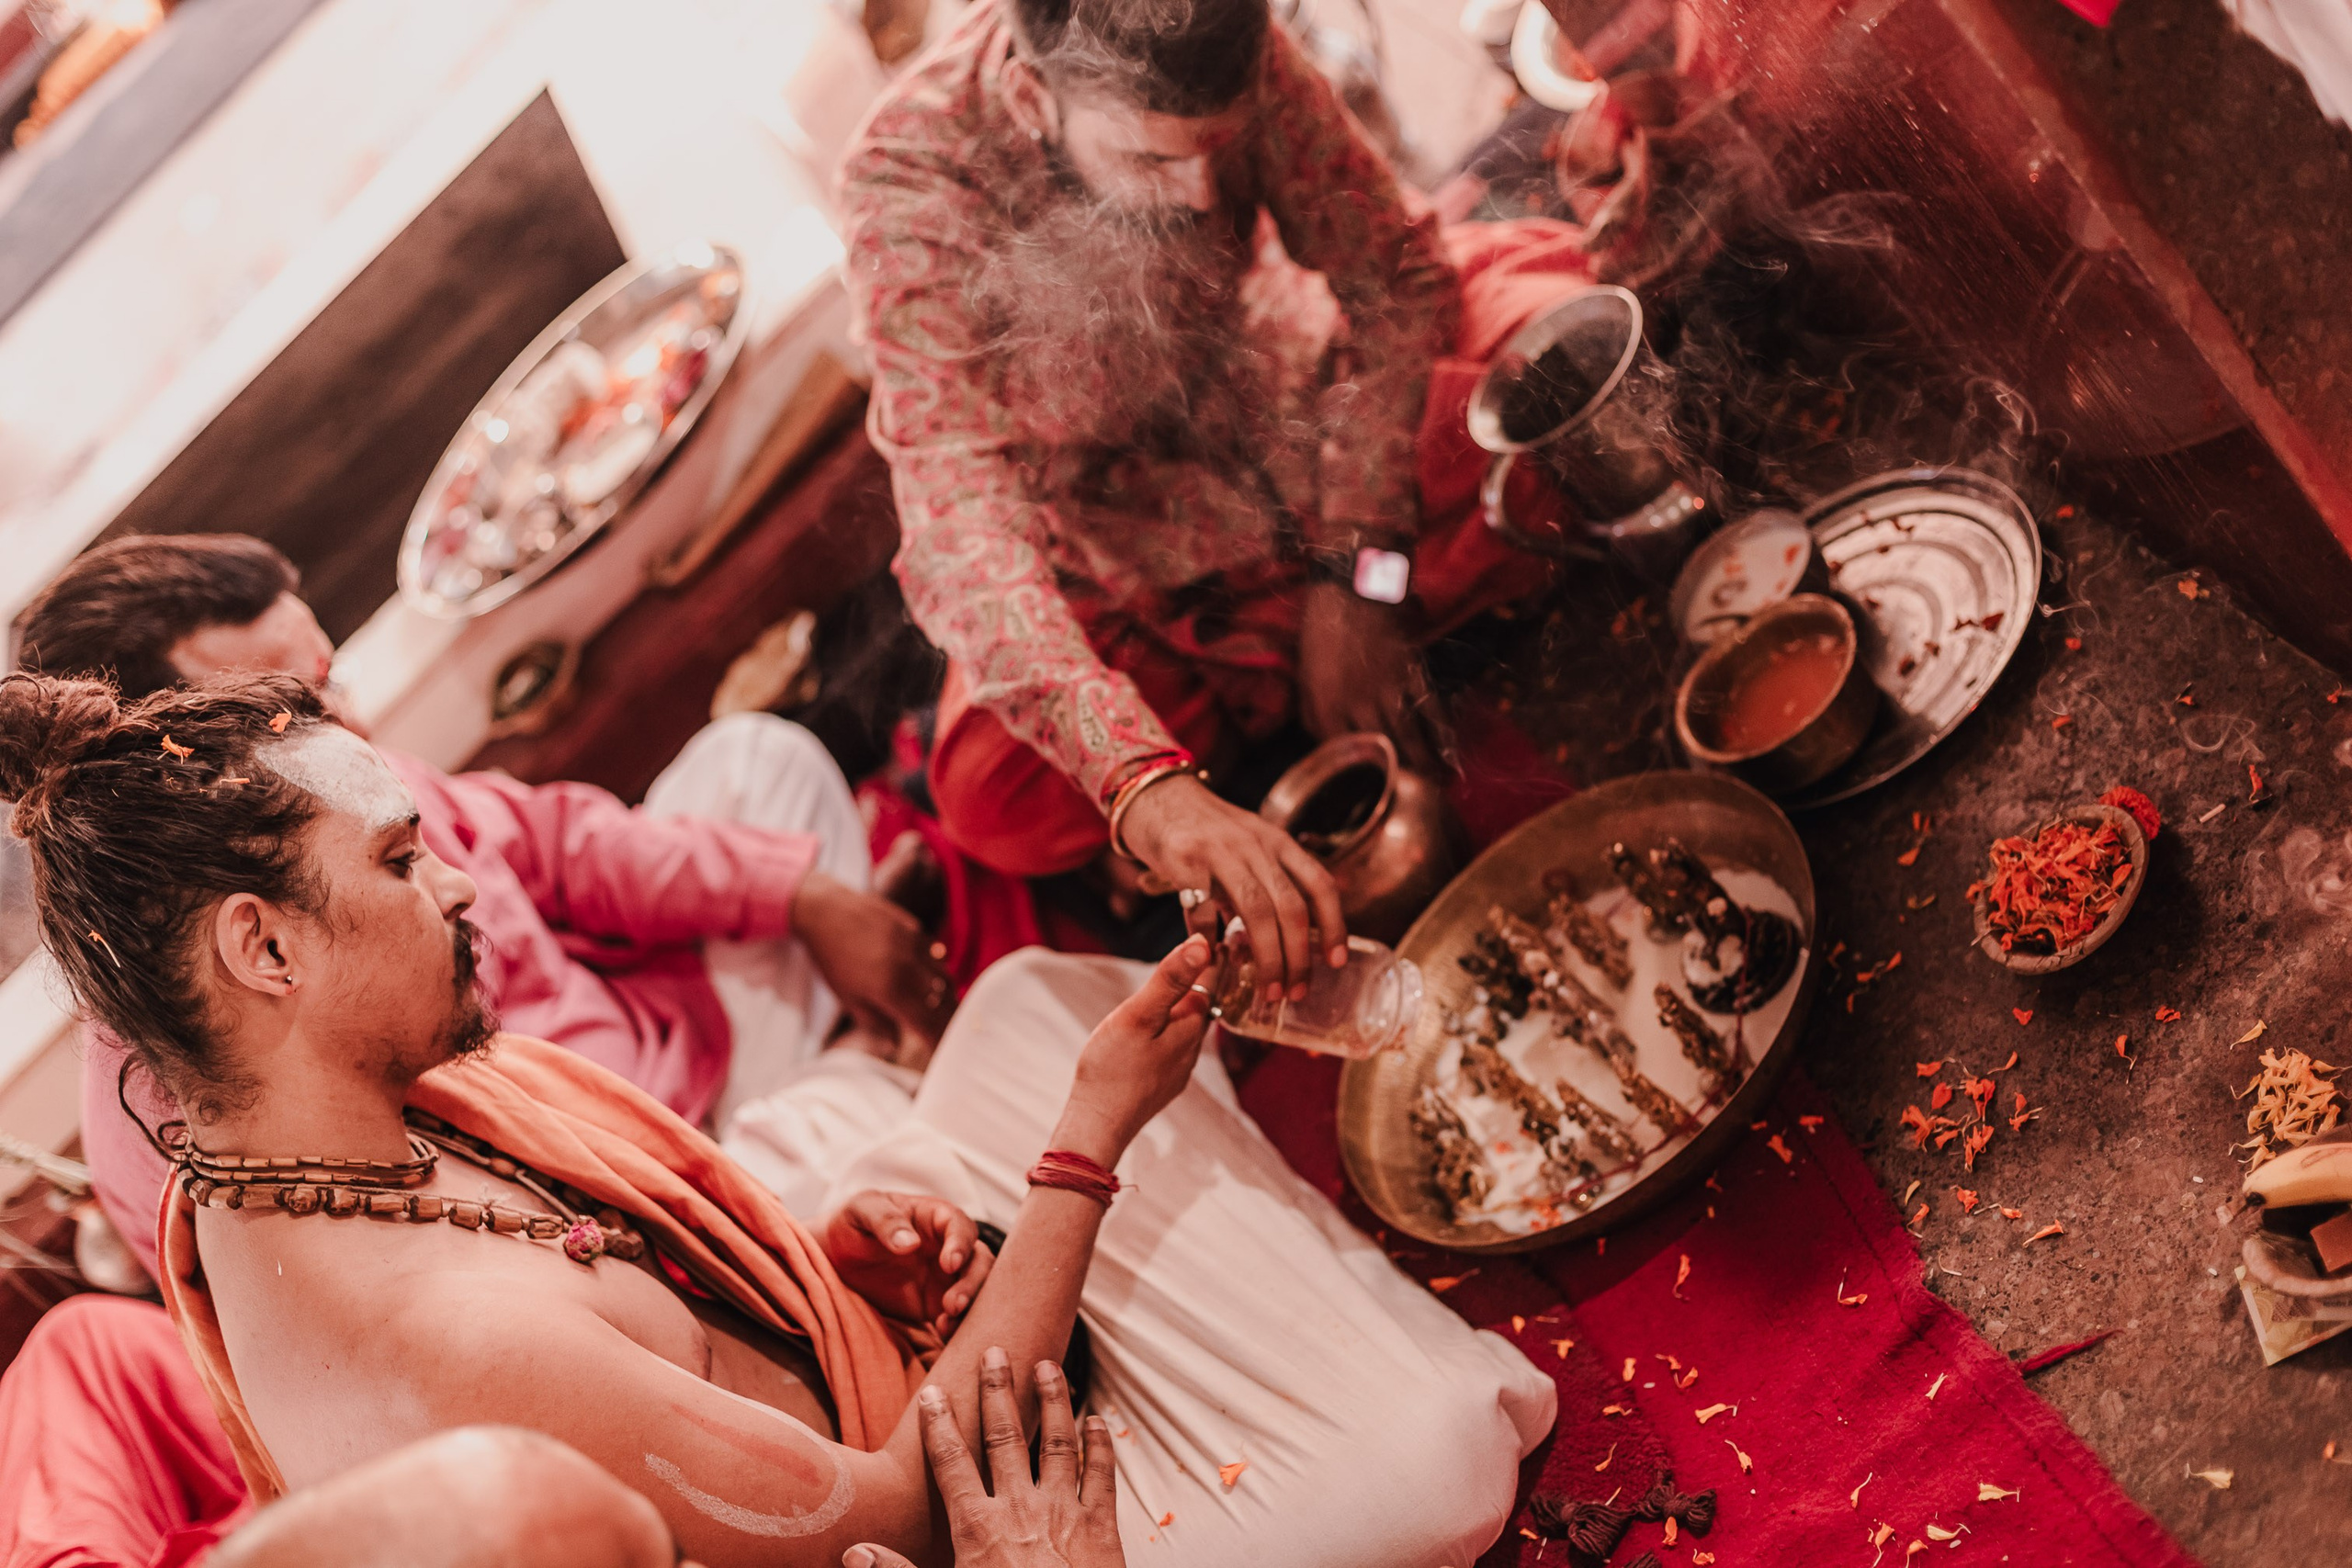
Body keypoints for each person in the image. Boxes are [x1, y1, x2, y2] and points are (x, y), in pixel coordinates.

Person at [0, 669, 1553, 1568]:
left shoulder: (260, 1158)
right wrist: (1087, 1148)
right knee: (1435, 1455)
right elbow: (911, 1521)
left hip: (889, 1363)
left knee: (1017, 1003)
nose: (463, 881)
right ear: (262, 949)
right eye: (404, 861)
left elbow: (627, 1249)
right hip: (960, 1507)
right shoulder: (455, 1354)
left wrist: (815, 1259)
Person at [840, 0, 1594, 994]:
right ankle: (1255, 709)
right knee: (992, 790)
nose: (1200, 195)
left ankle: (1302, 672)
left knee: (1557, 372)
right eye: (1153, 164)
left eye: (1218, 151)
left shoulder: (1228, 35)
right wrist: (1143, 785)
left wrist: (1359, 570)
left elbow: (1397, 275)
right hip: (1122, 541)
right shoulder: (909, 184)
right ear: (1032, 97)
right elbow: (958, 531)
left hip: (1305, 410)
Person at [12, 533, 955, 1248]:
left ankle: (835, 1085)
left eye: (330, 678)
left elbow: (557, 842)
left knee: (757, 762)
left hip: (666, 1058)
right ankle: (843, 1087)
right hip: (601, 1206)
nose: (343, 722)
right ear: (170, 768)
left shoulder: (347, 772)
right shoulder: (203, 1087)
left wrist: (801, 897)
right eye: (285, 704)